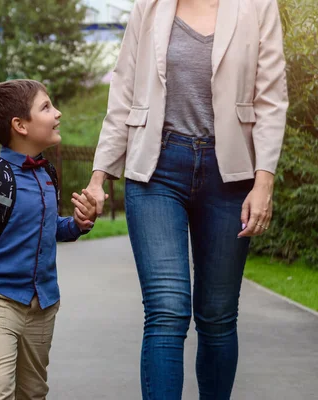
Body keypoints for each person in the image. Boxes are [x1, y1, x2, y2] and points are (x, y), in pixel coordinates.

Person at [86, 0, 288, 398]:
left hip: (231, 174)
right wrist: (100, 176)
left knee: (216, 316)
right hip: (157, 168)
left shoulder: (258, 6)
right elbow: (124, 90)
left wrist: (263, 183)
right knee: (166, 310)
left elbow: (271, 99)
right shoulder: (150, 6)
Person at [0, 79, 101, 400]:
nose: (57, 113)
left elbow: (49, 229)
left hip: (43, 304)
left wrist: (77, 224)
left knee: (33, 392)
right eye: (46, 107)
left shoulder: (46, 174)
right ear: (20, 125)